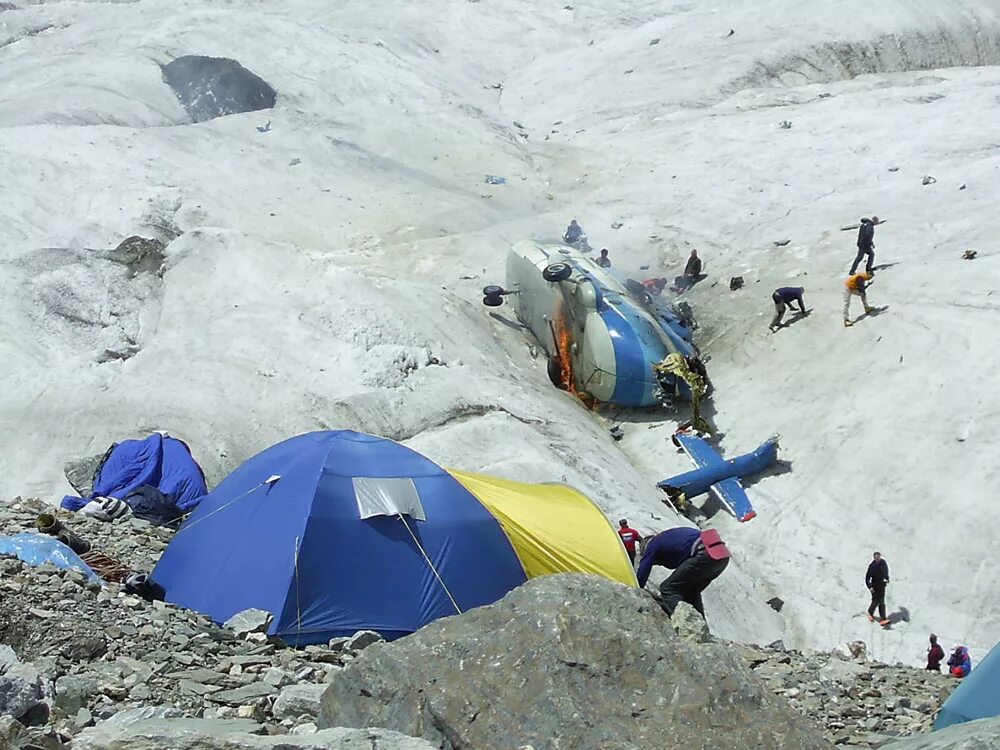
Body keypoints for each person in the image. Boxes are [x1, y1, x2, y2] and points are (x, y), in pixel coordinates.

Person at [636, 526, 730, 617]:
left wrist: (636, 589)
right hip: (721, 556)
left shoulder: (652, 545)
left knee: (668, 589)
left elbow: (644, 568)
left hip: (705, 554)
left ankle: (682, 621)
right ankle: (700, 627)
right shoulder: (667, 537)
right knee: (690, 593)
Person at [865, 551, 890, 625]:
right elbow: (867, 578)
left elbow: (886, 571)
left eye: (878, 557)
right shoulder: (872, 566)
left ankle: (883, 618)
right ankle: (870, 612)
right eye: (876, 558)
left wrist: (886, 578)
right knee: (875, 601)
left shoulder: (883, 563)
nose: (878, 559)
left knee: (882, 602)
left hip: (881, 585)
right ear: (874, 558)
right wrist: (870, 587)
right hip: (874, 586)